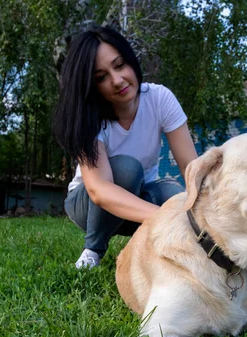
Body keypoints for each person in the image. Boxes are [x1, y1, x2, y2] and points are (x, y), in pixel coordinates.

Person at [53, 25, 198, 269]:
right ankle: (92, 251)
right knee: (128, 168)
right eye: (101, 77)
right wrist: (167, 218)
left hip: (137, 197)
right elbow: (99, 190)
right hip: (86, 206)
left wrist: (205, 216)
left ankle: (168, 253)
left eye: (119, 65)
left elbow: (192, 169)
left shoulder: (160, 98)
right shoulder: (89, 117)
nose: (117, 80)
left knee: (175, 194)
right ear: (91, 85)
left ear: (130, 61)